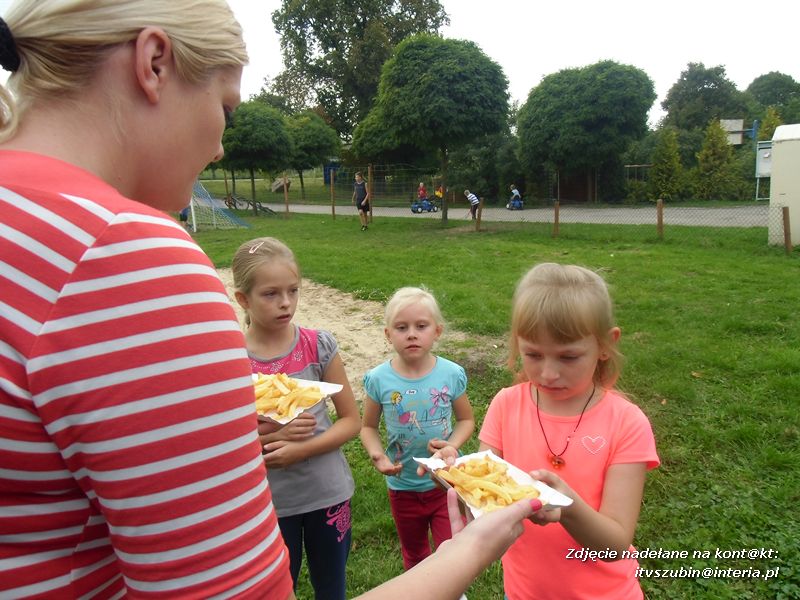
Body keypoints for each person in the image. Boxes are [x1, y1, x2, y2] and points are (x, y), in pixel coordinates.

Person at [0, 1, 544, 597]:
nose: (220, 148)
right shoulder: (123, 257)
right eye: (226, 109)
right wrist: (472, 546)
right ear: (153, 62)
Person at [436, 263, 660, 599]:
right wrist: (455, 475)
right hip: (525, 591)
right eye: (533, 354)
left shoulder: (627, 424)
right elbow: (487, 500)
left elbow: (615, 544)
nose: (548, 373)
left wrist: (567, 507)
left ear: (604, 345)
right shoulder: (506, 406)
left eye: (568, 357)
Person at [231, 237, 361, 600]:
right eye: (270, 294)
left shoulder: (318, 345)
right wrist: (271, 433)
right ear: (243, 299)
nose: (286, 302)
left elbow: (351, 421)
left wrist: (302, 450)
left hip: (327, 493)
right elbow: (225, 441)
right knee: (275, 588)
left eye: (293, 290)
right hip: (269, 502)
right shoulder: (232, 360)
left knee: (332, 587)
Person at [361, 287, 475, 570]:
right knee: (415, 556)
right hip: (402, 487)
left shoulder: (450, 374)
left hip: (444, 482)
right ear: (388, 334)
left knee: (451, 554)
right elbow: (367, 427)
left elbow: (466, 420)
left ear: (437, 331)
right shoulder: (378, 379)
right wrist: (377, 454)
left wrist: (452, 445)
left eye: (421, 326)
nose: (412, 333)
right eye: (402, 327)